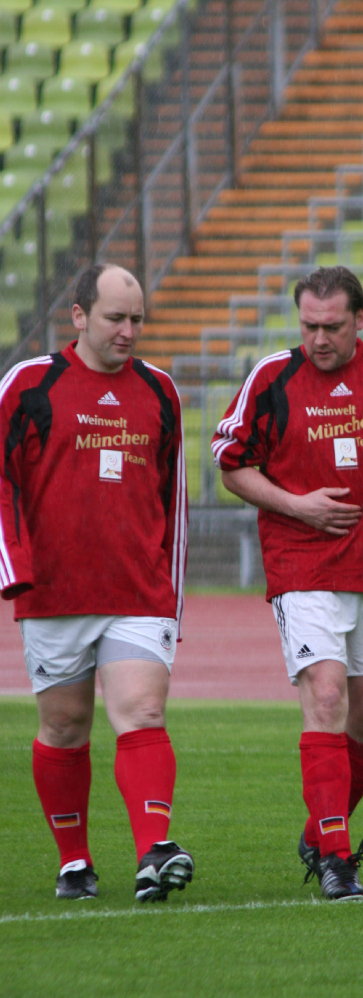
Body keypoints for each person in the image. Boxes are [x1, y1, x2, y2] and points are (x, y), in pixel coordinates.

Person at [212, 265, 363, 900]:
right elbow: (231, 464)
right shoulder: (272, 378)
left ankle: (319, 829)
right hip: (303, 566)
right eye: (308, 326)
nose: (319, 338)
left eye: (333, 326)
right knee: (326, 697)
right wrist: (297, 505)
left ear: (359, 320)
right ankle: (338, 862)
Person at [0, 263, 193, 902]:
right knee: (65, 726)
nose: (128, 331)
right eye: (115, 318)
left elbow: (174, 499)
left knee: (143, 711)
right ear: (79, 316)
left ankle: (154, 852)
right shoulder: (29, 385)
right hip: (53, 591)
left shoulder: (160, 391)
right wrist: (14, 568)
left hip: (138, 589)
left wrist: (171, 597)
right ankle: (74, 862)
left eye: (137, 319)